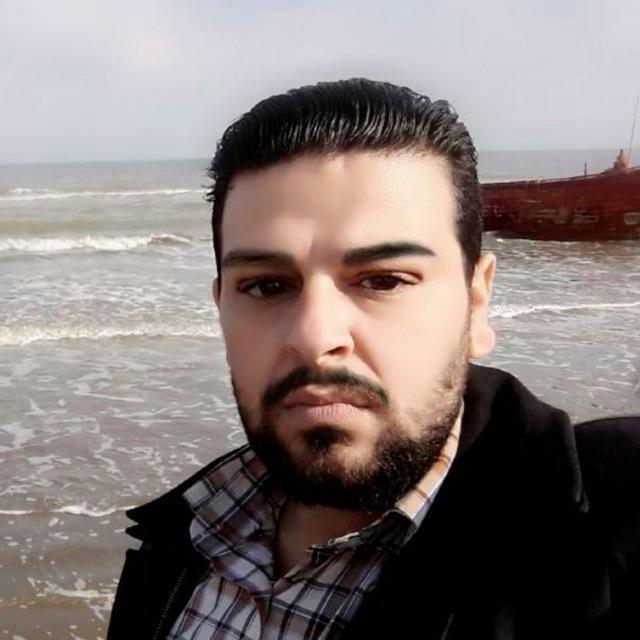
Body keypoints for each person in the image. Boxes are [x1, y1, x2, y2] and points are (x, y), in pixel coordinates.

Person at [107, 79, 639, 639]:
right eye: (266, 286)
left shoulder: (611, 531)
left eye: (384, 280)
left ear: (476, 301)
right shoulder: (182, 537)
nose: (315, 337)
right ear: (221, 310)